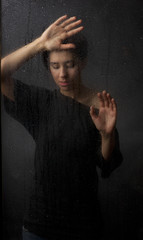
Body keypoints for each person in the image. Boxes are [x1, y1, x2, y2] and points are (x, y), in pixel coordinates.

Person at [1, 15, 123, 240]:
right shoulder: (41, 103)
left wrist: (107, 135)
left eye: (70, 65)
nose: (62, 74)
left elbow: (107, 166)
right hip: (38, 227)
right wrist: (40, 44)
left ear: (83, 62)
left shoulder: (99, 108)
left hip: (83, 228)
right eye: (55, 66)